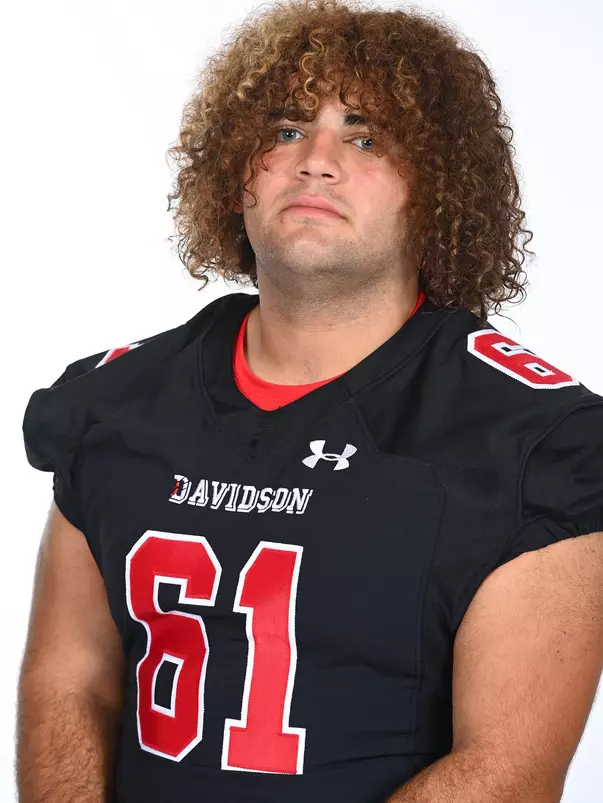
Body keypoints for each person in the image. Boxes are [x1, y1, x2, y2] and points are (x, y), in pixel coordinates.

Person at [18, 0, 603, 801]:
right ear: (235, 175)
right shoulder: (116, 400)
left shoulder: (533, 439)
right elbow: (69, 679)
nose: (316, 161)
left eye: (366, 138)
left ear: (438, 189)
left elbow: (506, 769)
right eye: (287, 129)